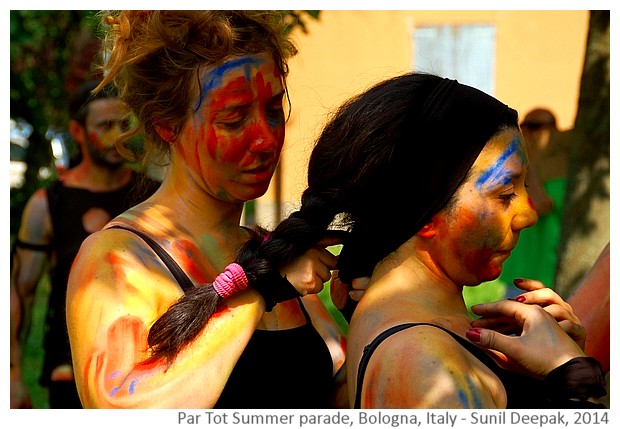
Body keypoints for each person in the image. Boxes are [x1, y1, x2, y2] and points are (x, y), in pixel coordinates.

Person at [180, 73, 604, 409]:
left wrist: (552, 367)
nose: (528, 213)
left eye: (526, 187)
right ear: (424, 210)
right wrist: (572, 375)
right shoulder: (423, 364)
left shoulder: (426, 337)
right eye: (505, 193)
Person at [66, 11, 348, 409]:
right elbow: (121, 410)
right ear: (167, 125)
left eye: (272, 111)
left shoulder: (271, 250)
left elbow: (340, 392)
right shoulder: (117, 260)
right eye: (234, 120)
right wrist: (263, 291)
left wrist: (374, 310)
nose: (266, 139)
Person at [10, 80, 160, 408]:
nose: (116, 137)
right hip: (69, 370)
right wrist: (12, 375)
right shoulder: (48, 204)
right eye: (104, 126)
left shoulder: (154, 197)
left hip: (146, 372)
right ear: (77, 132)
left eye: (123, 125)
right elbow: (20, 293)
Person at [499, 108, 569, 294]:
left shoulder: (564, 170)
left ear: (553, 129)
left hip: (549, 271)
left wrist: (530, 162)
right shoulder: (518, 168)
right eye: (524, 126)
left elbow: (541, 206)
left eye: (535, 126)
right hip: (520, 268)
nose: (528, 133)